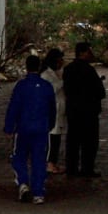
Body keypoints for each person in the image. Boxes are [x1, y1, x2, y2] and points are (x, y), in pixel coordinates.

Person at [3, 54, 56, 204]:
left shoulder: (21, 86)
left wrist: (9, 127)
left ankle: (23, 183)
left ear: (26, 67)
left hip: (23, 128)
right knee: (39, 160)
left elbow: (13, 107)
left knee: (19, 157)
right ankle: (38, 193)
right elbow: (53, 109)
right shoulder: (47, 86)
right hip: (41, 129)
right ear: (39, 67)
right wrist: (50, 125)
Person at [62, 40, 107, 178]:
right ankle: (87, 169)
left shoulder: (68, 69)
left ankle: (71, 169)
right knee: (89, 142)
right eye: (88, 51)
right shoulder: (89, 70)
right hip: (88, 112)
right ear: (83, 52)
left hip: (73, 111)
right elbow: (100, 92)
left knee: (73, 141)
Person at [42, 46, 66, 175]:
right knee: (52, 139)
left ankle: (53, 162)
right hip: (51, 111)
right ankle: (49, 163)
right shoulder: (46, 75)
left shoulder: (57, 72)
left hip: (59, 111)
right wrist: (63, 81)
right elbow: (52, 89)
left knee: (56, 138)